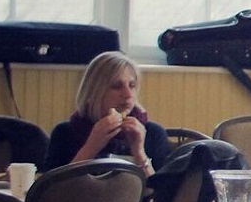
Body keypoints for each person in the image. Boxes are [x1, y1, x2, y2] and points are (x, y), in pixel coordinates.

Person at [42, 51, 173, 174]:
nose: (128, 94)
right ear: (94, 91)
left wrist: (139, 153)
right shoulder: (65, 133)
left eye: (132, 86)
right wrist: (91, 147)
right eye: (116, 86)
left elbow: (160, 190)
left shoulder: (153, 133)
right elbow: (52, 188)